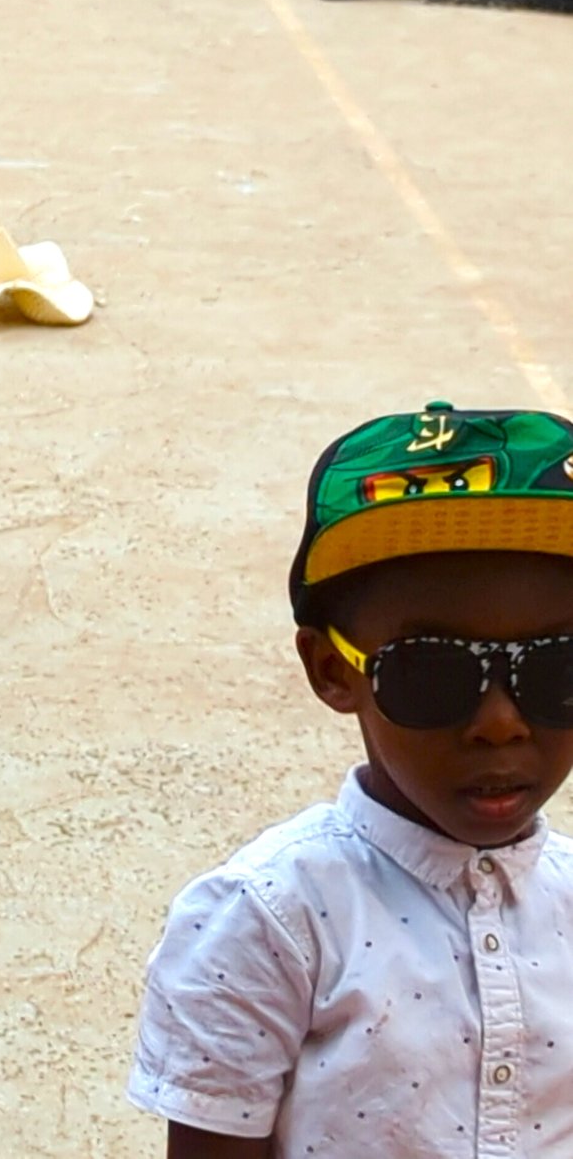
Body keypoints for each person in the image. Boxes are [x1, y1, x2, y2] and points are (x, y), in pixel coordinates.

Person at [129, 401, 573, 1155]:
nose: (500, 722)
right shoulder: (268, 922)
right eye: (431, 670)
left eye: (558, 666)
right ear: (334, 671)